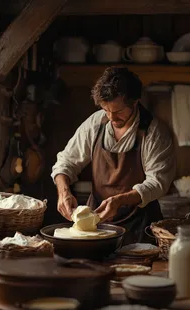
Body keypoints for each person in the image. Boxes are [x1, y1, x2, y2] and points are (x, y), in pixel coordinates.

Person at [51, 67, 176, 244]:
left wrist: (120, 200)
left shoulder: (154, 132)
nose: (111, 117)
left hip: (140, 227)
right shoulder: (96, 123)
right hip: (96, 225)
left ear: (135, 102)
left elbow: (157, 182)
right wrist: (64, 192)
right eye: (105, 109)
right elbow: (66, 161)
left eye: (117, 111)